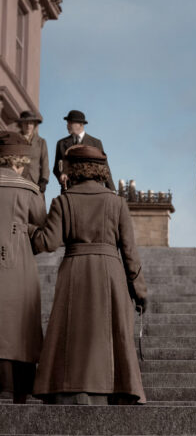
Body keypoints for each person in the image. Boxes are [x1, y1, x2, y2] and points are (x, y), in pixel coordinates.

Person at [31, 145, 147, 405]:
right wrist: (139, 290)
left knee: (74, 331)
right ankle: (115, 388)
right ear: (100, 170)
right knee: (109, 332)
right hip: (110, 272)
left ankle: (68, 389)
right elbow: (129, 251)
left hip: (75, 269)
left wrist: (24, 228)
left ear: (72, 169)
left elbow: (48, 242)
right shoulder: (117, 202)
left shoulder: (63, 201)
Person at [0, 132, 46, 404]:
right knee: (20, 324)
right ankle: (19, 386)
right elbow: (43, 227)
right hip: (19, 263)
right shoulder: (28, 189)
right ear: (20, 160)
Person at [52, 109, 114, 192]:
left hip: (93, 191)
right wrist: (62, 176)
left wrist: (112, 189)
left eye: (70, 123)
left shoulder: (95, 143)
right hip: (70, 191)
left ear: (80, 124)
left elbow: (105, 167)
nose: (67, 125)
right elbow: (56, 168)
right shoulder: (61, 144)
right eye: (67, 123)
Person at [16, 110, 50, 194]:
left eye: (31, 123)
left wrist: (44, 180)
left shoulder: (41, 142)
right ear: (21, 125)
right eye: (25, 123)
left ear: (34, 125)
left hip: (35, 182)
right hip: (18, 180)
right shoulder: (15, 140)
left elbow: (45, 163)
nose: (28, 126)